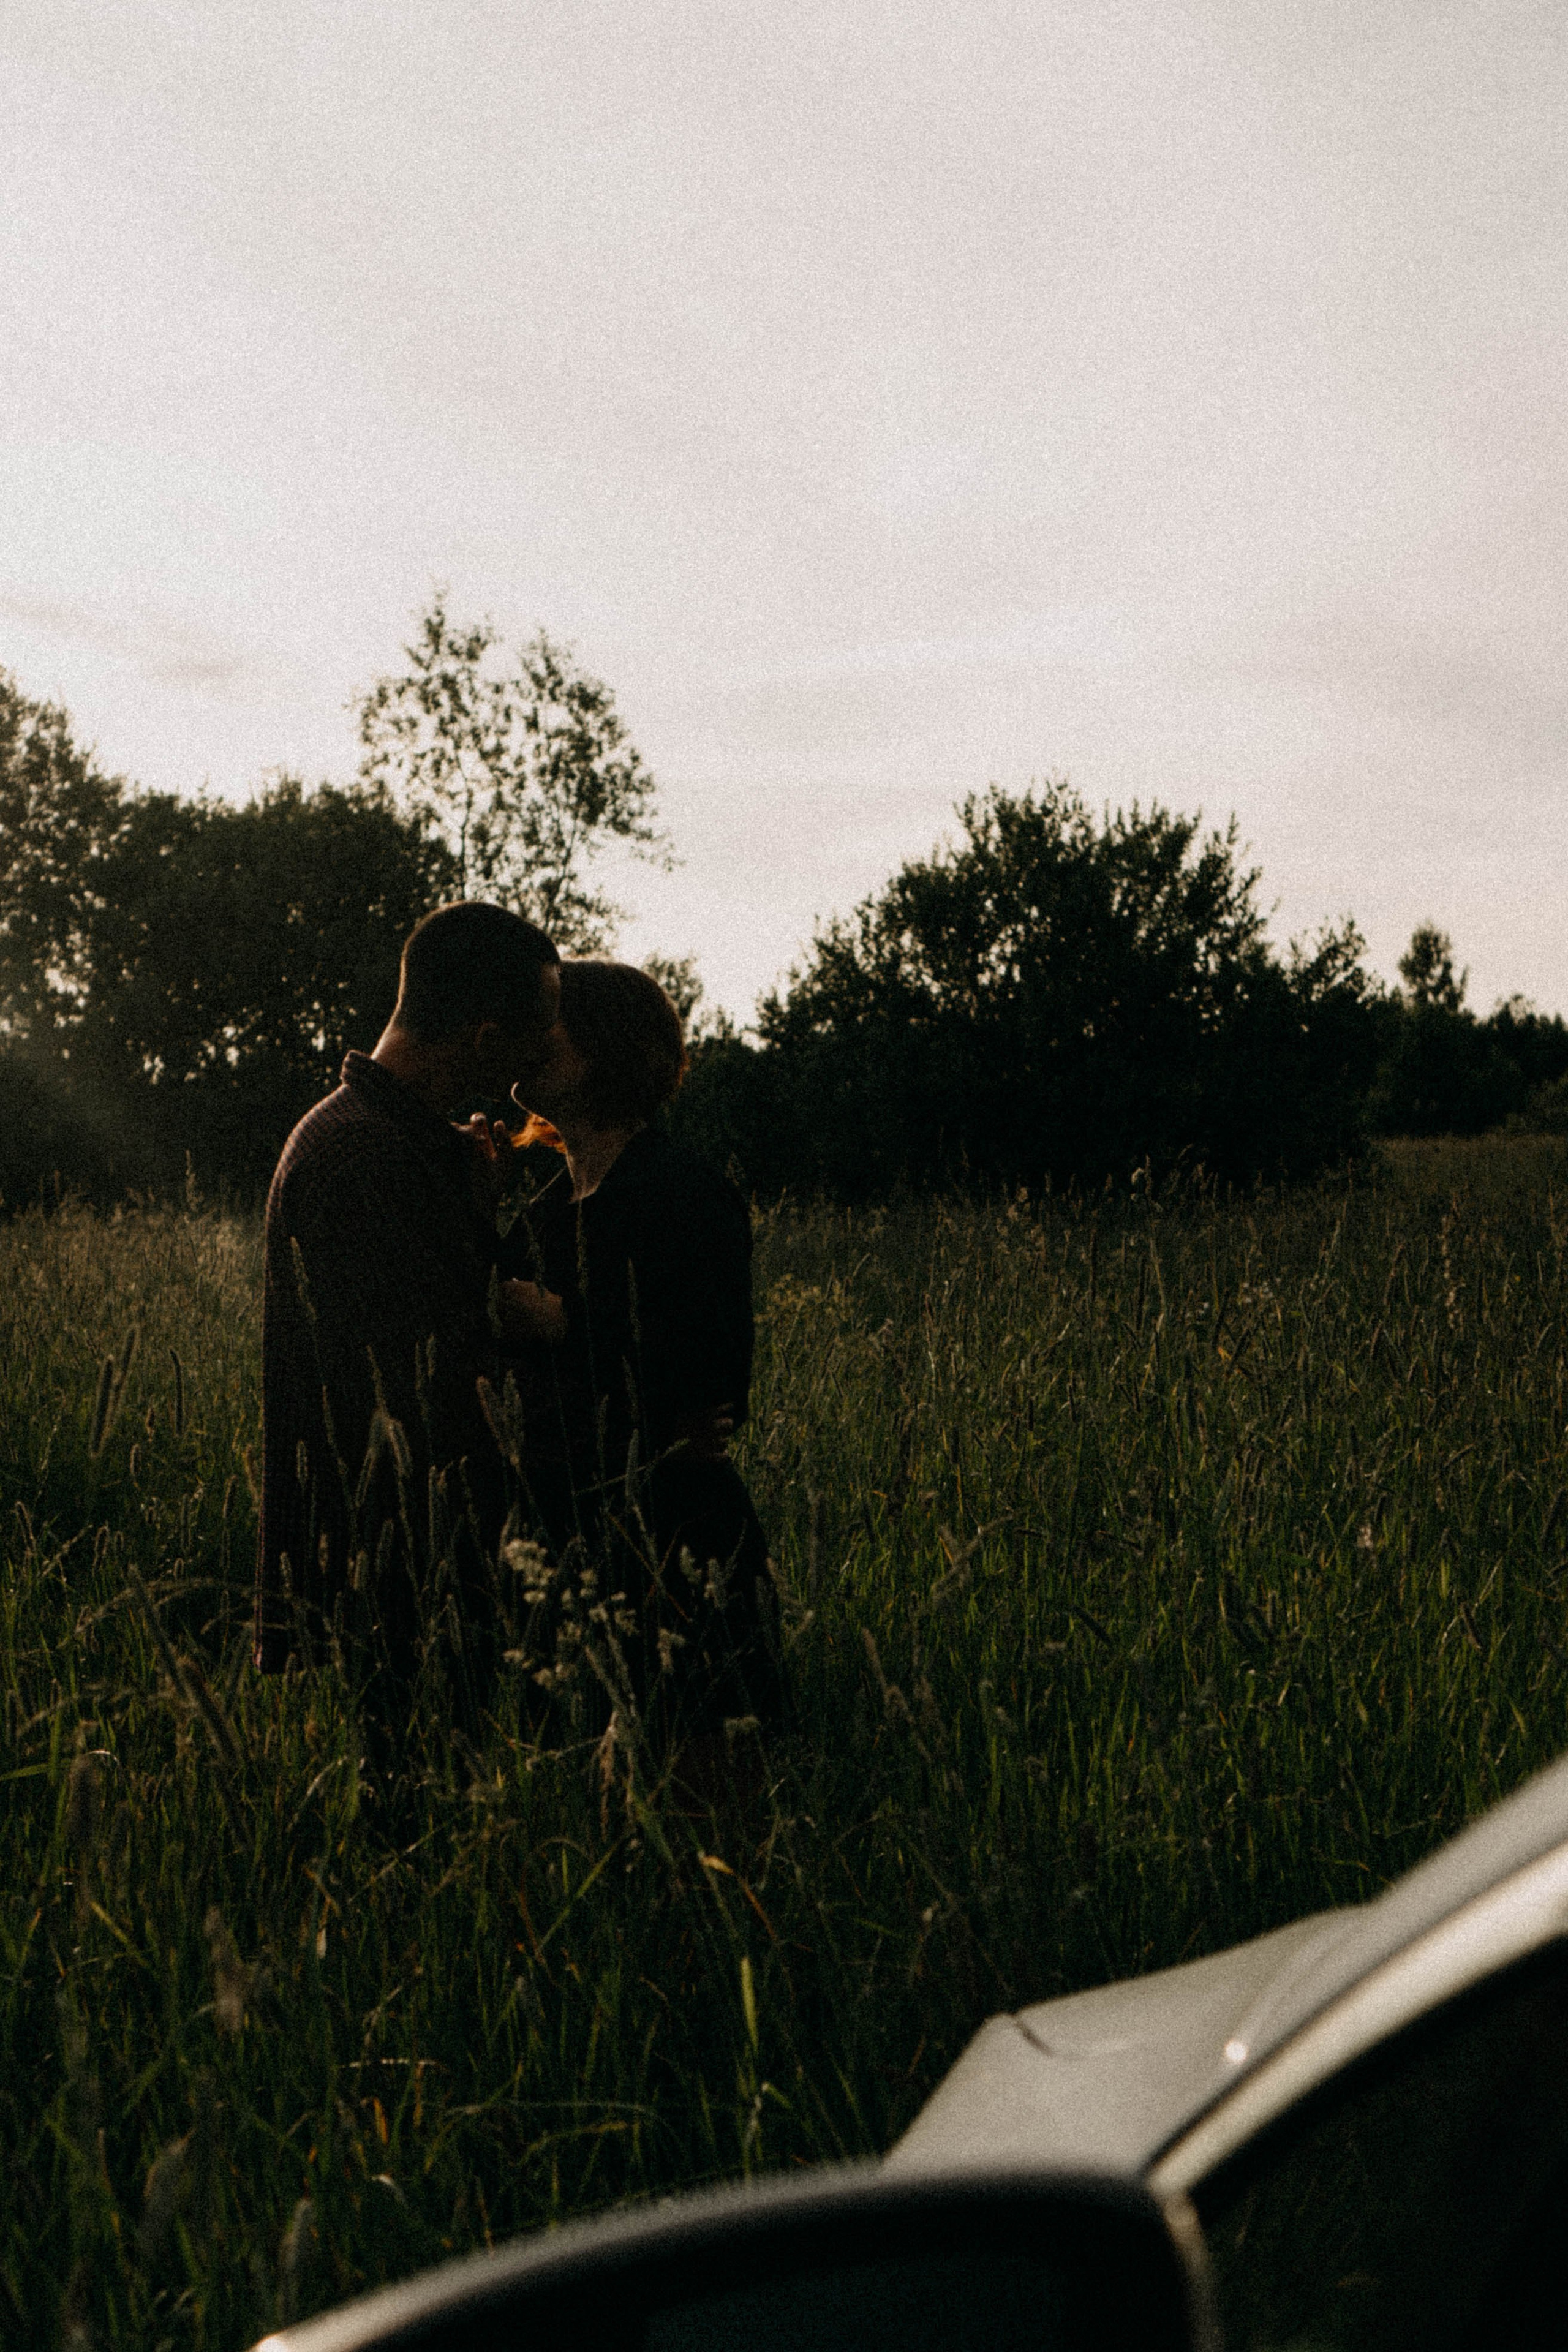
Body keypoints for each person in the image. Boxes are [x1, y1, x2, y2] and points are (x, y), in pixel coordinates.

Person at [254, 900, 560, 1718]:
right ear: (487, 1041)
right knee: (424, 1820)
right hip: (410, 1578)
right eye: (537, 1035)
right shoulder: (362, 1154)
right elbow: (425, 1382)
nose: (543, 1060)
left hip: (421, 1569)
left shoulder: (392, 1140)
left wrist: (476, 1207)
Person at [496, 960, 782, 1754]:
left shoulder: (683, 1192)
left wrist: (566, 1326)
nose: (523, 1040)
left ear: (604, 1044)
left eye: (544, 1023)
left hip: (672, 1541)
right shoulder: (541, 1212)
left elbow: (715, 1384)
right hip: (554, 1546)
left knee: (694, 1802)